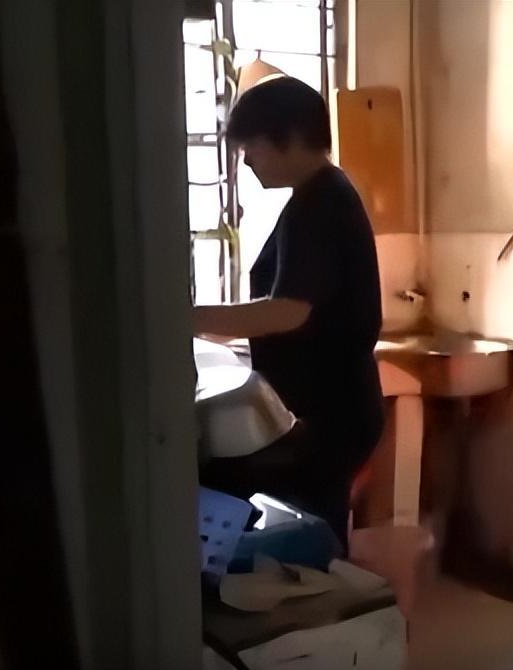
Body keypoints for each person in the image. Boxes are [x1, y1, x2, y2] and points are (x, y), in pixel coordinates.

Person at [193, 77, 384, 550]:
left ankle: (328, 594)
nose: (247, 160)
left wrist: (185, 318)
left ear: (290, 137)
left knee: (311, 536)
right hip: (335, 407)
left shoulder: (320, 204)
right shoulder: (320, 196)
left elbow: (287, 312)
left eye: (251, 147)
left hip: (330, 413)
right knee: (313, 528)